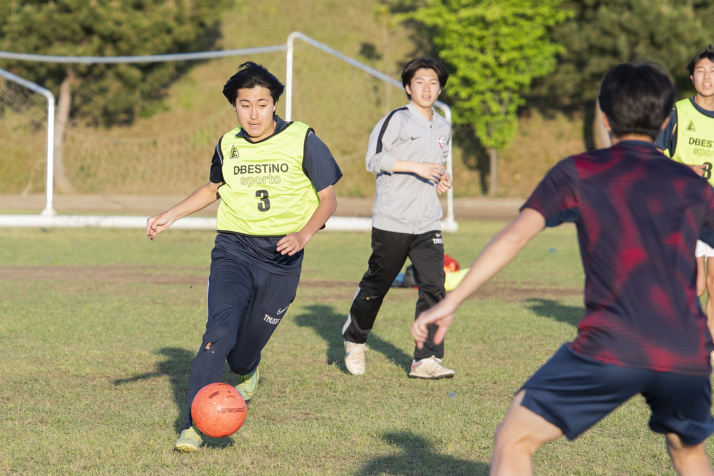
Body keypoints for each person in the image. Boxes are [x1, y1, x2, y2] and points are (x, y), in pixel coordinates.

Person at [412, 63, 714, 475]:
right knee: (689, 454)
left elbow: (515, 237)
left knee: (514, 440)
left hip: (613, 344)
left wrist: (451, 302)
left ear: (604, 117)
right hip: (687, 349)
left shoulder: (580, 171)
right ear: (665, 121)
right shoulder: (693, 184)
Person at [146, 61, 342, 452]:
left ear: (274, 105)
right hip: (233, 250)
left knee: (240, 356)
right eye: (245, 104)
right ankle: (191, 426)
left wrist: (304, 234)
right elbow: (214, 187)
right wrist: (171, 214)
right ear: (234, 106)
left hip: (282, 257)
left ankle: (248, 368)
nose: (254, 113)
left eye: (262, 104)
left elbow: (329, 199)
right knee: (217, 334)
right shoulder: (228, 143)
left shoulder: (303, 139)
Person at [341, 57, 455, 379]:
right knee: (378, 284)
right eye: (419, 82)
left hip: (428, 221)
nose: (427, 88)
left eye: (433, 83)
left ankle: (425, 360)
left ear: (440, 87)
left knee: (434, 286)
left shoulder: (444, 127)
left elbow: (437, 165)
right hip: (392, 219)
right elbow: (373, 160)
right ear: (408, 87)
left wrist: (441, 179)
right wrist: (415, 167)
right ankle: (354, 338)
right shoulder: (396, 120)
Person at [657, 45, 714, 341]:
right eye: (701, 71)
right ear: (692, 77)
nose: (707, 77)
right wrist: (683, 170)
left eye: (713, 71)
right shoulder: (677, 112)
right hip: (684, 208)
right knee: (696, 285)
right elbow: (653, 155)